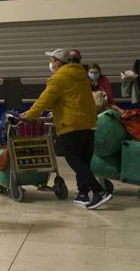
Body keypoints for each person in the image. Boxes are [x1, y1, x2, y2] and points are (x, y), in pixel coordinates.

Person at [23, 49, 110, 209]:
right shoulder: (83, 75)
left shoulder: (58, 78)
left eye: (52, 60)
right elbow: (74, 99)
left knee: (74, 160)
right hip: (88, 124)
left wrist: (28, 116)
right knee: (83, 161)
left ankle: (99, 191)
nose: (50, 63)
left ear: (58, 62)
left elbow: (44, 100)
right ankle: (83, 194)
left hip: (70, 125)